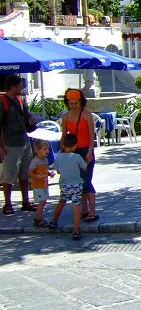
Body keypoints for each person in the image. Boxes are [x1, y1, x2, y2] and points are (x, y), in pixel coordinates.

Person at [56, 88, 98, 223]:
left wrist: (90, 151)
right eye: (71, 103)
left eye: (76, 103)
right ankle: (84, 210)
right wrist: (61, 153)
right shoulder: (66, 117)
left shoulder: (87, 115)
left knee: (86, 180)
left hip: (85, 150)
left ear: (81, 102)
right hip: (72, 151)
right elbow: (64, 136)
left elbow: (91, 135)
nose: (73, 106)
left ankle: (92, 211)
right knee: (78, 181)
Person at [0, 75, 38, 215]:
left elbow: (27, 115)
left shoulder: (21, 100)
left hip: (24, 141)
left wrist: (31, 119)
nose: (22, 88)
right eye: (20, 86)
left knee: (24, 173)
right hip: (10, 143)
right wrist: (1, 146)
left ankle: (26, 202)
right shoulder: (2, 101)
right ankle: (8, 204)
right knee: (9, 174)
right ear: (13, 87)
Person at [47, 133, 87, 240]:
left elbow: (57, 170)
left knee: (61, 202)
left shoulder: (59, 157)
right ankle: (76, 230)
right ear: (75, 146)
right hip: (76, 185)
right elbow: (84, 168)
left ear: (63, 146)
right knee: (76, 207)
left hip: (64, 185)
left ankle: (53, 221)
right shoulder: (77, 157)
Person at [28, 139, 56, 227]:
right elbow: (30, 172)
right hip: (37, 185)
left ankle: (39, 218)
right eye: (44, 149)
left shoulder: (45, 160)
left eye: (48, 149)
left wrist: (49, 173)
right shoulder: (35, 161)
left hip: (44, 184)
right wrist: (36, 176)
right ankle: (38, 219)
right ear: (37, 150)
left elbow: (44, 170)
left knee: (44, 202)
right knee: (42, 202)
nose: (47, 151)